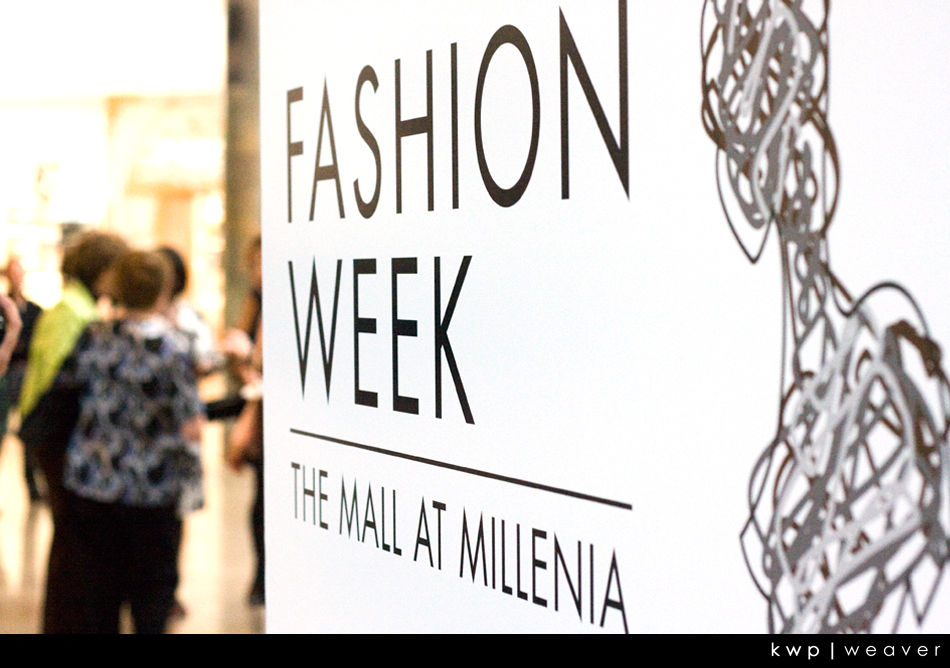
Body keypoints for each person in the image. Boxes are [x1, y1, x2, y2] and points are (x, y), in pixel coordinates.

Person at [57, 249, 204, 633]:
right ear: (163, 291)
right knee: (151, 594)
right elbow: (191, 423)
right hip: (151, 488)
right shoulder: (172, 348)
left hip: (94, 480)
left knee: (98, 592)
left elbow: (68, 386)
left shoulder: (94, 337)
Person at [17, 229, 129, 633]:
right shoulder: (73, 311)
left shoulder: (77, 306)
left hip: (54, 432)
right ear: (102, 271)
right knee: (71, 537)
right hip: (56, 435)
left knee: (70, 537)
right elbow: (58, 378)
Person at [0, 255, 43, 499]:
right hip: (7, 374)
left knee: (28, 427)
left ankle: (31, 482)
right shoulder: (3, 308)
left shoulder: (34, 310)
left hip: (23, 372)